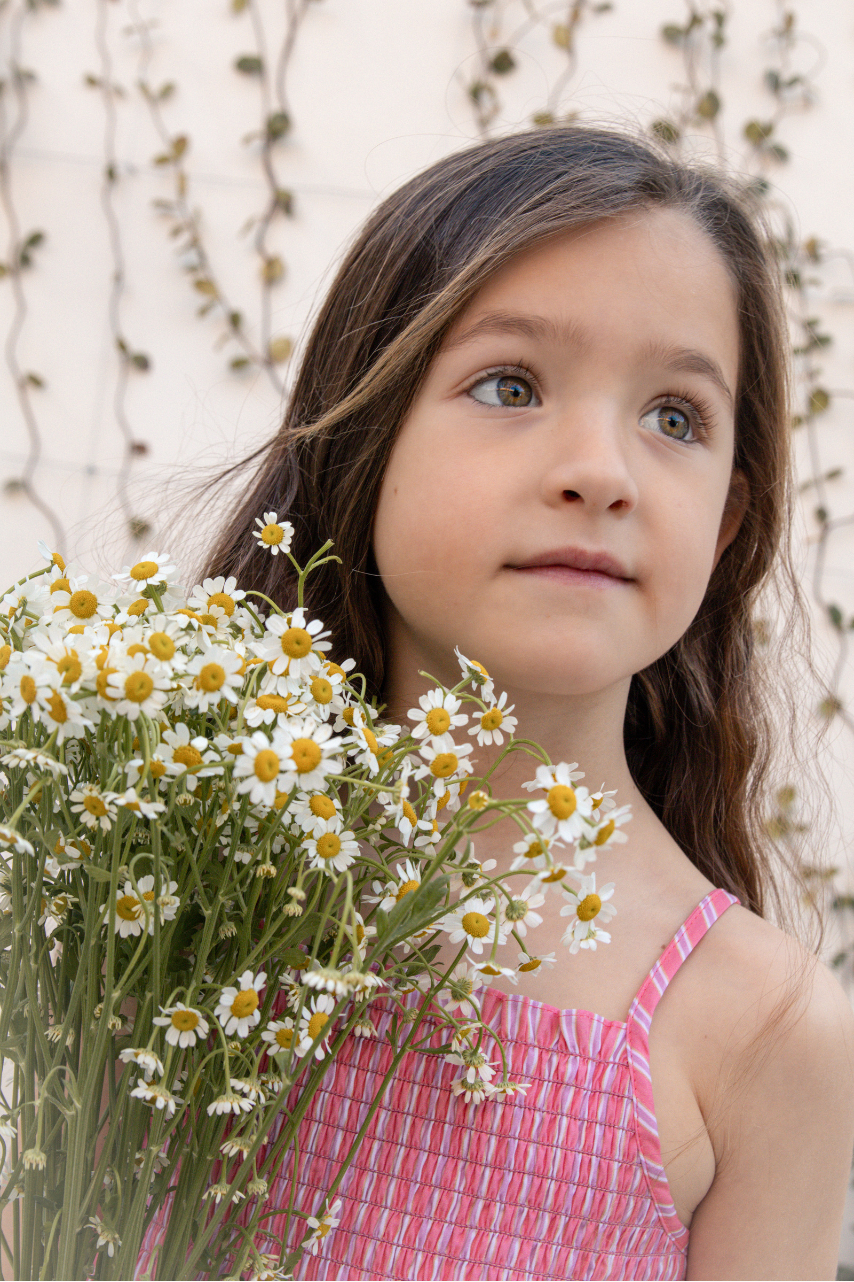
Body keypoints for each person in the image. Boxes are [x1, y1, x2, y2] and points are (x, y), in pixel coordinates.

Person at [180, 125, 854, 1280]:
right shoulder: (167, 864)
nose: (599, 468)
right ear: (366, 433)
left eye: (674, 417)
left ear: (727, 523)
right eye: (510, 384)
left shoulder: (760, 1028)